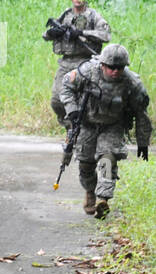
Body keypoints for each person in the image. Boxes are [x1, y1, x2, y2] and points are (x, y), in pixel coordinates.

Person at [59, 44, 150, 219]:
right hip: (87, 124)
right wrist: (72, 109)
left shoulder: (132, 83)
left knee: (107, 158)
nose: (116, 71)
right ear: (102, 65)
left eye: (120, 68)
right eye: (111, 67)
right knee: (85, 164)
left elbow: (141, 114)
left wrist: (143, 143)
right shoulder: (86, 72)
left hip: (112, 126)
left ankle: (103, 199)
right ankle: (90, 192)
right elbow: (66, 86)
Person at [44, 0, 110, 127]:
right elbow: (46, 35)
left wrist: (82, 33)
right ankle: (70, 127)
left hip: (86, 63)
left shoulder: (93, 16)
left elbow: (105, 35)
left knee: (84, 100)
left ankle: (83, 131)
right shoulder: (66, 15)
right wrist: (52, 33)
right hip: (66, 62)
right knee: (57, 100)